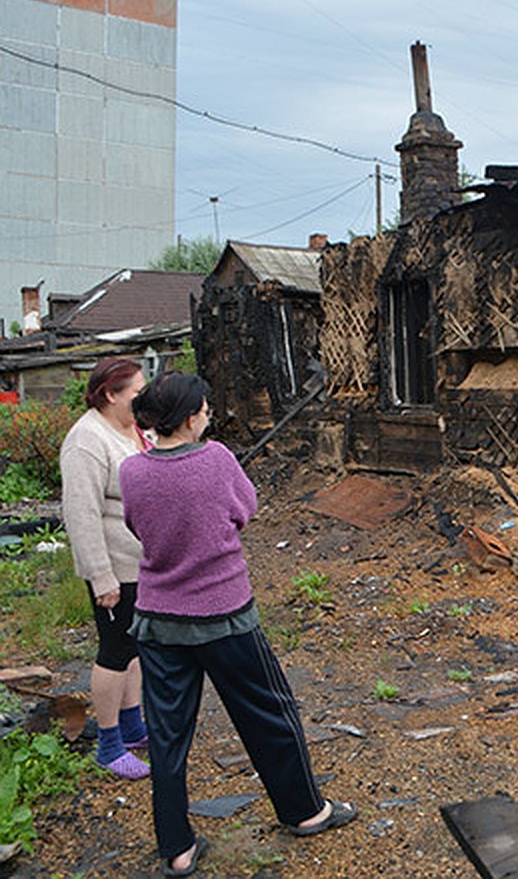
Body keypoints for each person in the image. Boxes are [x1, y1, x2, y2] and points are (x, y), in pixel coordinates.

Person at [119, 372, 356, 876]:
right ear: (189, 417)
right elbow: (244, 511)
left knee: (167, 736)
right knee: (270, 714)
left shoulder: (132, 471)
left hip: (160, 621)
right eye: (205, 408)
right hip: (224, 615)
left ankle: (177, 850)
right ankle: (305, 811)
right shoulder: (217, 459)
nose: (209, 415)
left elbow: (136, 527)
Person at [59, 358, 151, 780]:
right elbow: (82, 514)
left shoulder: (134, 429)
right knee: (114, 653)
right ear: (111, 394)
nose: (143, 396)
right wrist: (101, 576)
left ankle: (133, 725)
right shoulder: (86, 440)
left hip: (140, 564)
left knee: (132, 648)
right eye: (136, 390)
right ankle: (109, 744)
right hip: (113, 568)